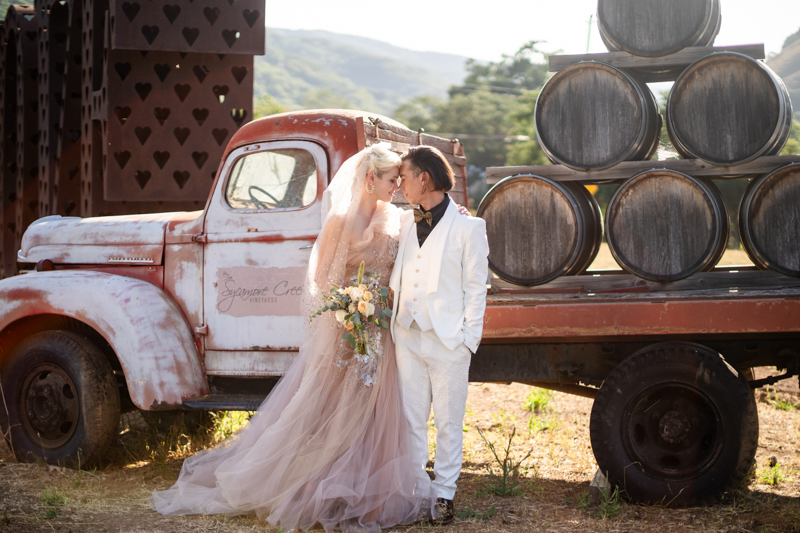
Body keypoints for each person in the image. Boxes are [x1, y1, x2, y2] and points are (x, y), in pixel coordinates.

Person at [149, 143, 439, 531]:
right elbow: (323, 279)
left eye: (399, 181)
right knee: (333, 409)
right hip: (348, 328)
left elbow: (427, 229)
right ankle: (315, 486)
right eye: (391, 180)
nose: (397, 188)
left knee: (377, 412)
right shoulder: (341, 221)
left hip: (380, 328)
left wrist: (456, 216)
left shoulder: (395, 217)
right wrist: (350, 307)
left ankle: (372, 493)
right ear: (371, 179)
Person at [391, 145, 490, 524]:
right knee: (412, 418)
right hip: (407, 335)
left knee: (448, 422)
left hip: (449, 340)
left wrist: (469, 339)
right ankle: (418, 492)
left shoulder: (469, 227)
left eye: (404, 177)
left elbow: (476, 287)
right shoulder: (402, 222)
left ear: (424, 178)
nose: (400, 185)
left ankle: (445, 494)